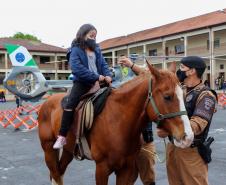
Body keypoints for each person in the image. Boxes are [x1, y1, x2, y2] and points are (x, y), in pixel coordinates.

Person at [157, 56, 217, 185]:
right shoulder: (179, 90)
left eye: (182, 67)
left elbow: (197, 124)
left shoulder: (206, 95)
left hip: (191, 152)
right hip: (172, 147)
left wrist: (169, 128)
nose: (180, 71)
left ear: (192, 71)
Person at [53, 24, 112, 149]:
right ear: (83, 34)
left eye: (95, 36)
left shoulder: (96, 49)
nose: (94, 38)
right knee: (70, 104)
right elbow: (77, 68)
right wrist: (96, 77)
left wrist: (108, 75)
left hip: (100, 83)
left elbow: (103, 64)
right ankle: (62, 136)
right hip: (82, 83)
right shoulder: (75, 49)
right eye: (91, 35)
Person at [118, 56, 156, 185]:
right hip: (126, 145)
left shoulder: (146, 94)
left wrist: (131, 65)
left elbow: (149, 74)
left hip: (145, 141)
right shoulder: (121, 98)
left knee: (149, 177)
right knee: (127, 177)